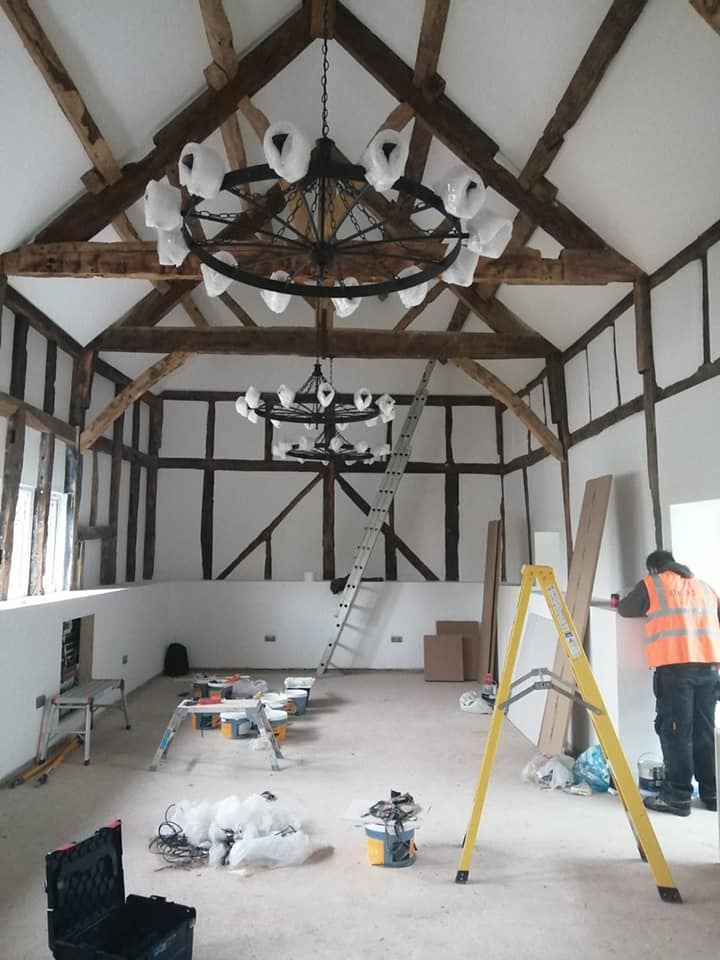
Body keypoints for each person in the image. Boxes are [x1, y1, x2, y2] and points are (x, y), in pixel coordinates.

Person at [618, 550, 720, 816]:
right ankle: (712, 794)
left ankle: (678, 797)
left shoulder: (653, 584)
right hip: (710, 669)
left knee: (676, 732)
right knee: (704, 732)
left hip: (676, 670)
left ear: (653, 569)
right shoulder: (705, 587)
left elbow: (626, 608)